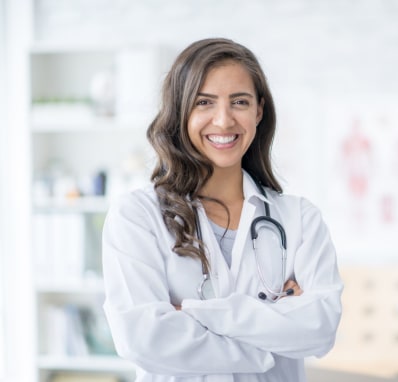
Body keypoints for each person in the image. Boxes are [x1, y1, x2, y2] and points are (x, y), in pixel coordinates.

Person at [102, 38, 343, 382]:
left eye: (239, 102)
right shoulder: (137, 217)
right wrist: (271, 338)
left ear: (258, 111)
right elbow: (142, 339)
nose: (223, 119)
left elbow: (319, 329)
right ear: (180, 110)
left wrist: (194, 313)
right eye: (204, 102)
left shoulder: (300, 220)